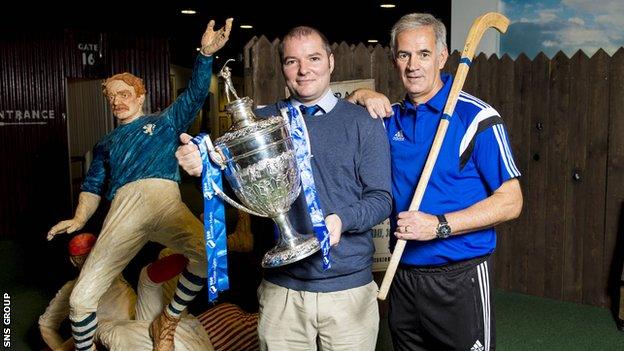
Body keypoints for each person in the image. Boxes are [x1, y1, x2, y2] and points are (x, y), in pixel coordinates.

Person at [176, 26, 392, 351]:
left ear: (331, 62)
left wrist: (341, 220)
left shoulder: (363, 121)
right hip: (282, 293)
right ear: (282, 68)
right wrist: (200, 168)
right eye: (293, 61)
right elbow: (229, 182)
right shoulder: (258, 123)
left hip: (347, 292)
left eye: (314, 58)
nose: (304, 70)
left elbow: (381, 199)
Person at [46, 18, 232, 351]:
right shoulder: (105, 143)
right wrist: (78, 219)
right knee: (80, 299)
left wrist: (204, 56)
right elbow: (92, 186)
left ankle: (169, 320)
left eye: (124, 93)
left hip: (165, 201)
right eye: (111, 96)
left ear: (140, 95)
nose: (117, 100)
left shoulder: (164, 122)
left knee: (208, 255)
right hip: (124, 209)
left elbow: (194, 95)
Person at [346, 13, 523, 351]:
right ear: (395, 59)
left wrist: (439, 226)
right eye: (404, 55)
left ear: (442, 58)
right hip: (404, 274)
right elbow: (343, 115)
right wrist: (360, 94)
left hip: (459, 277)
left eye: (424, 54)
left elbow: (511, 201)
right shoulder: (388, 119)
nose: (414, 65)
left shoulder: (476, 118)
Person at [39, 233, 136, 351]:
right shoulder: (72, 289)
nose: (88, 262)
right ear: (73, 261)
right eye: (82, 258)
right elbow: (46, 325)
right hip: (106, 339)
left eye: (91, 256)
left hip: (134, 331)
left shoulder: (115, 270)